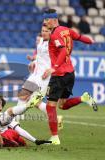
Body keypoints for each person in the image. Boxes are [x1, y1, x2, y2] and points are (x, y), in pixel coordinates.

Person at [42, 8, 97, 145]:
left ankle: (54, 137)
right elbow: (79, 37)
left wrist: (53, 68)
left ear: (54, 19)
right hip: (70, 73)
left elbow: (61, 51)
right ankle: (83, 98)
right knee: (63, 105)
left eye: (46, 19)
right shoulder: (66, 30)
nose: (45, 22)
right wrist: (90, 41)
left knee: (50, 106)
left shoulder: (55, 35)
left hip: (59, 74)